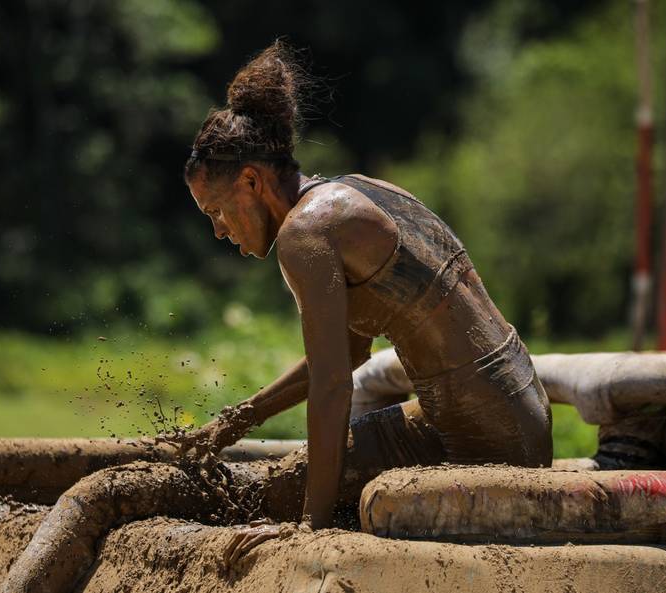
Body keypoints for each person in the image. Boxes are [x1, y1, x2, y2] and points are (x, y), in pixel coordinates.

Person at [184, 41, 552, 559]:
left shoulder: (304, 234)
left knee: (289, 497)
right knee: (288, 480)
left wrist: (309, 528)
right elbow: (350, 355)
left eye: (216, 212)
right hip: (517, 412)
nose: (220, 231)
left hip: (493, 444)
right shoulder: (354, 190)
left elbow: (333, 384)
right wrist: (236, 419)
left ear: (251, 180)